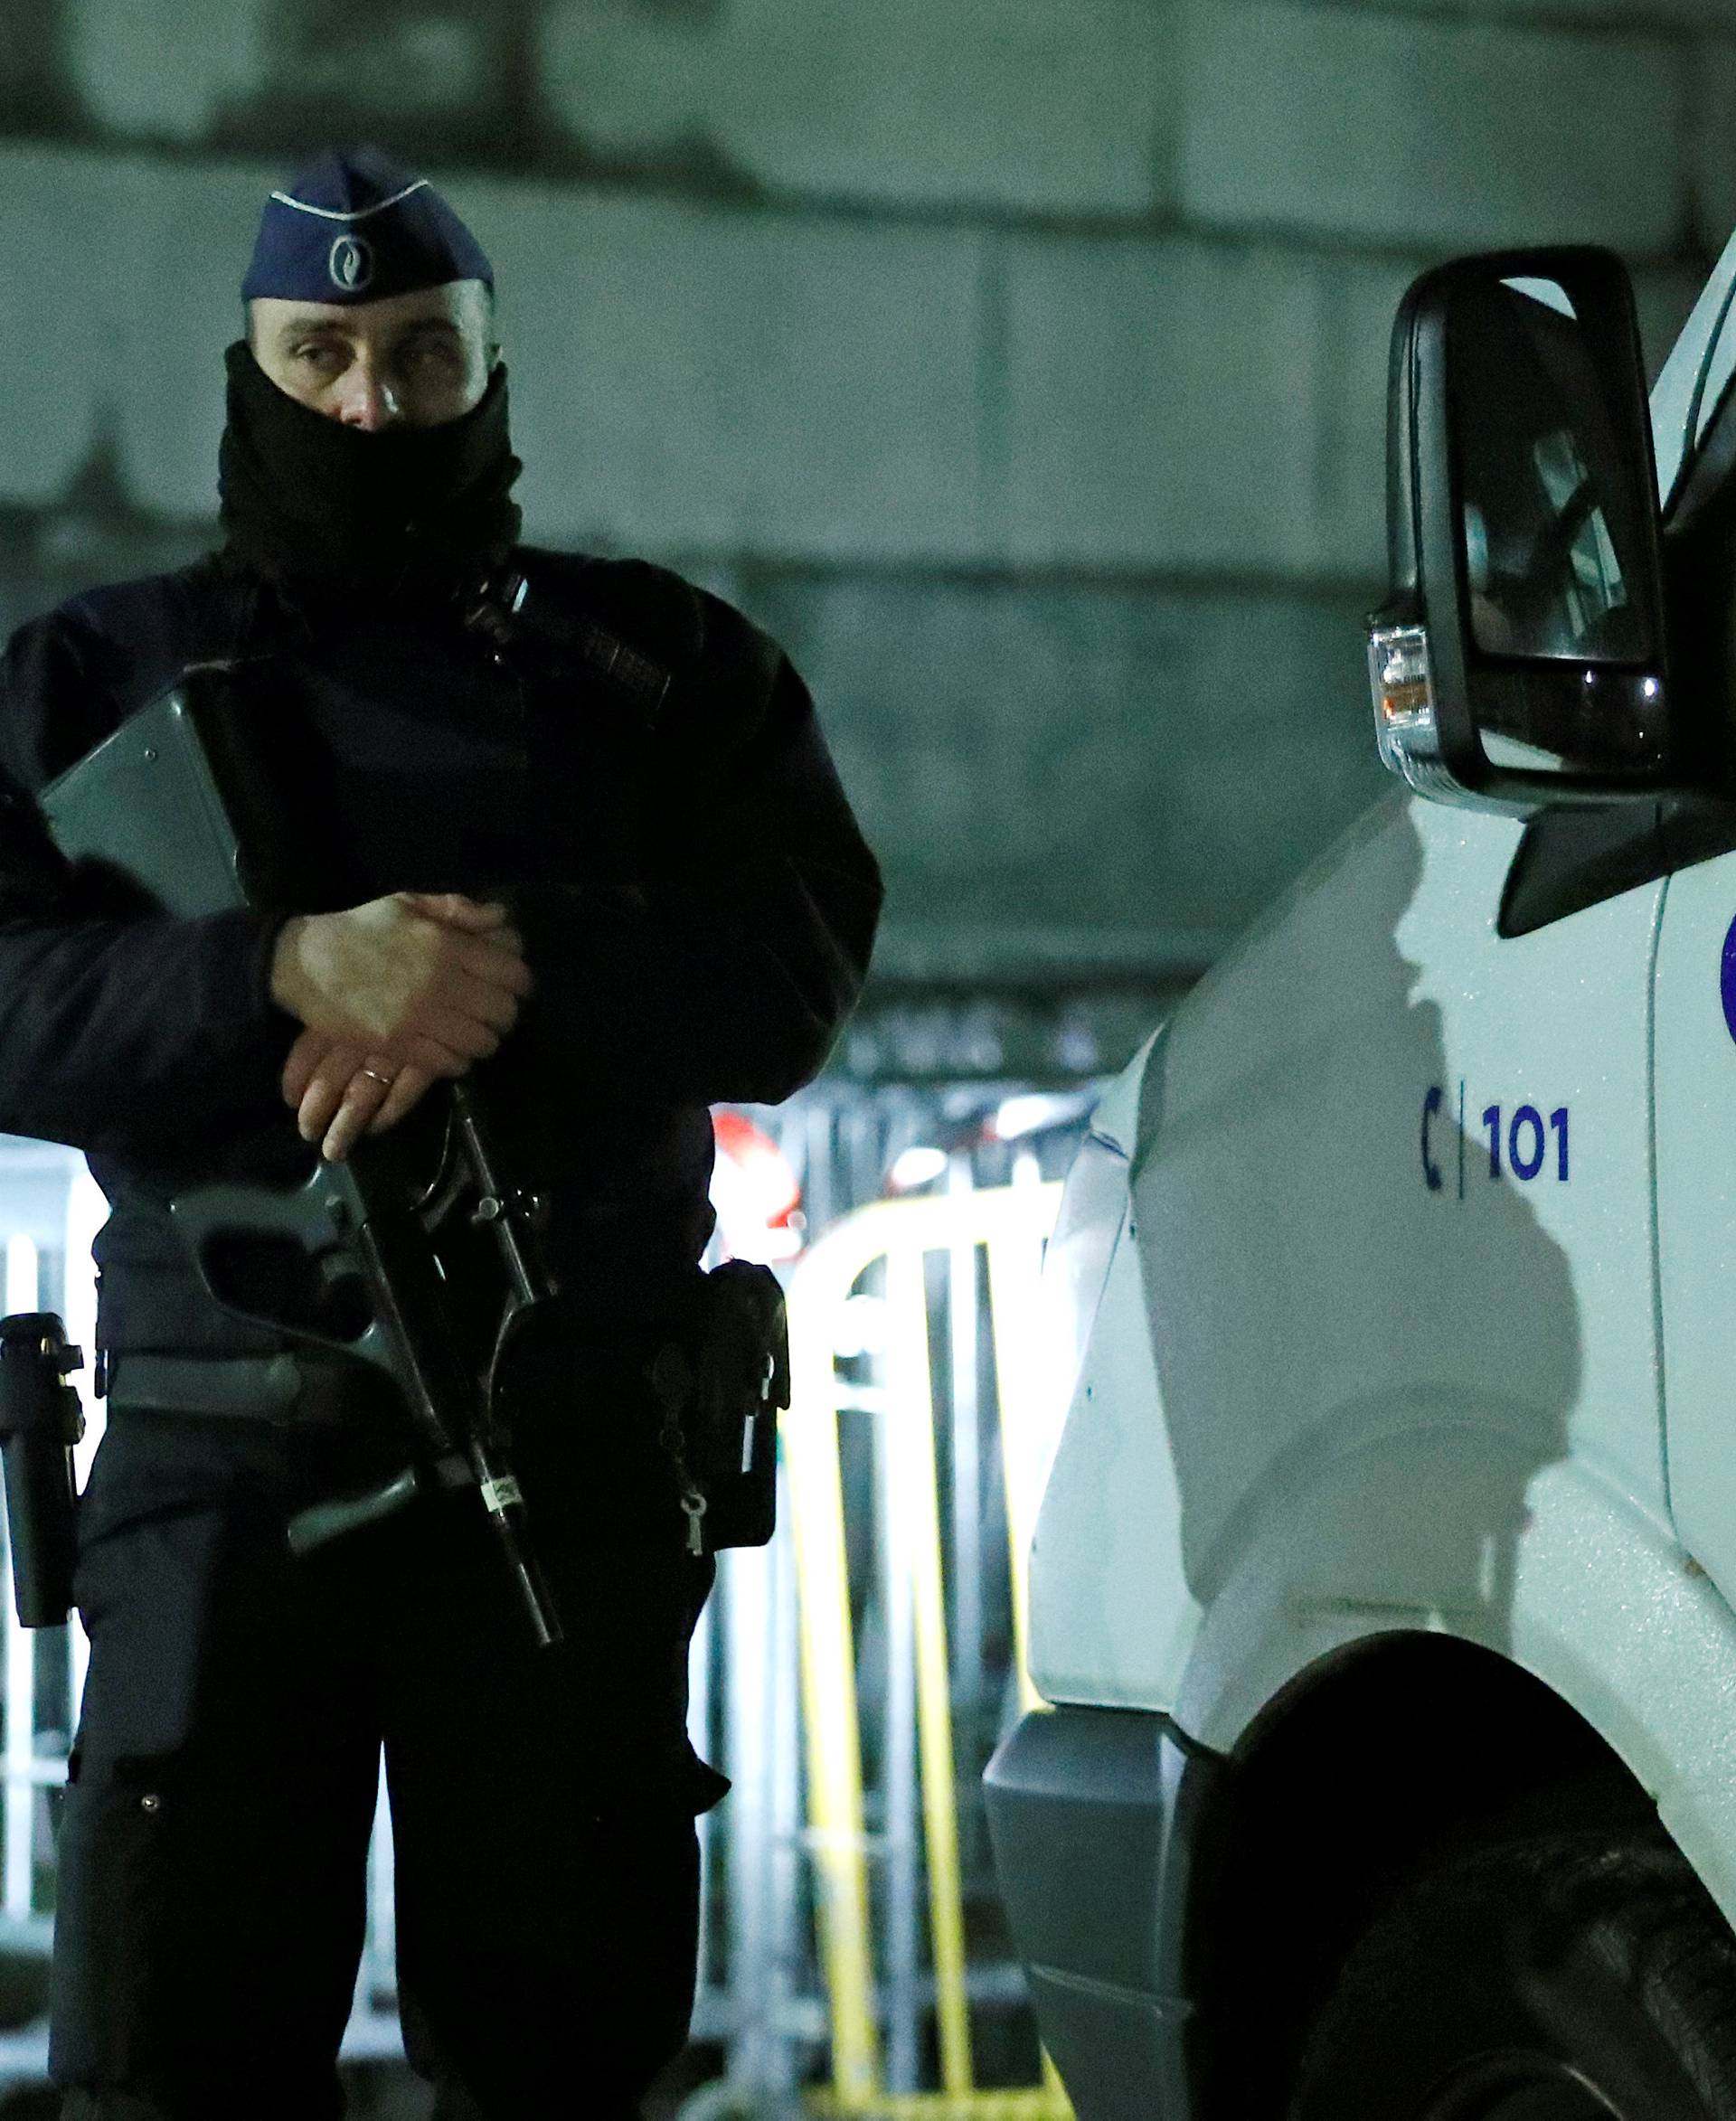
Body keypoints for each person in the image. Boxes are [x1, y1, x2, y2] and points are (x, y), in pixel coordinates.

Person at [0, 147, 882, 2118]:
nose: (371, 407)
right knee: (173, 2067)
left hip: (561, 1463)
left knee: (560, 2064)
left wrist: (496, 965)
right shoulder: (89, 686)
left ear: (490, 362)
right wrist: (284, 971)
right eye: (319, 356)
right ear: (250, 370)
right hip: (220, 1489)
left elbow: (794, 964)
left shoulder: (661, 675)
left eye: (417, 354)